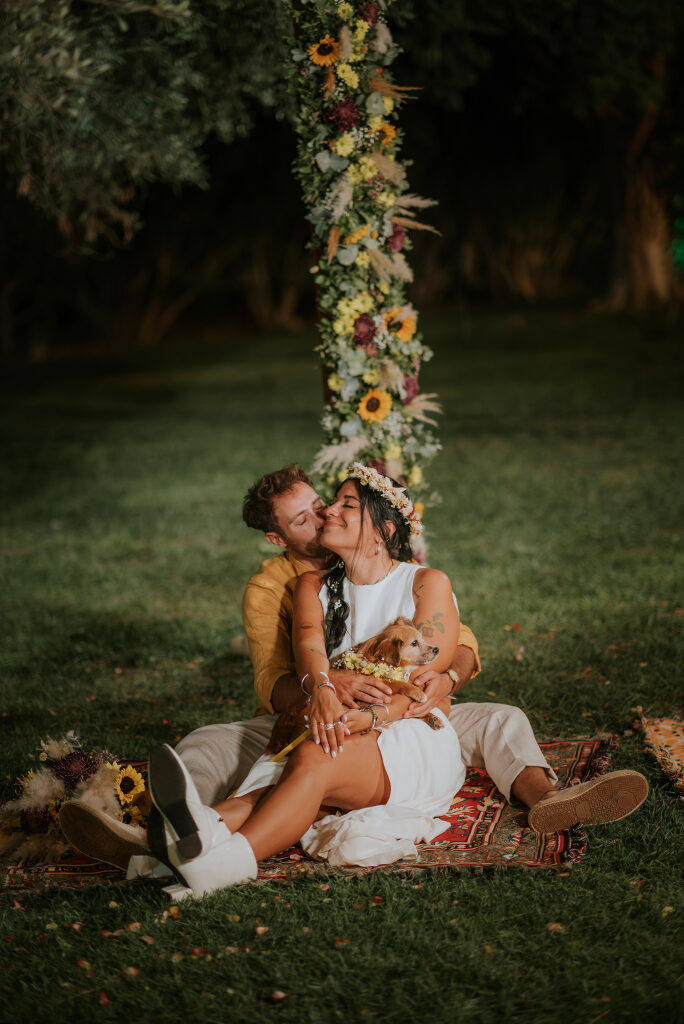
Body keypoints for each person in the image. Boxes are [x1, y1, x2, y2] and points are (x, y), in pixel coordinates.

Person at [60, 464, 648, 876]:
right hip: (307, 713)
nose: (324, 516)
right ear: (277, 536)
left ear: (383, 526)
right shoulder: (285, 587)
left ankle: (549, 798)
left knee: (499, 718)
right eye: (308, 517)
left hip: (407, 719)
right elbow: (281, 673)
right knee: (229, 750)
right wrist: (324, 689)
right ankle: (166, 836)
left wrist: (438, 682)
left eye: (334, 504)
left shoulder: (421, 580)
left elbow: (444, 650)